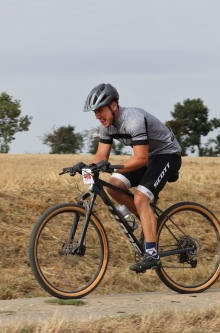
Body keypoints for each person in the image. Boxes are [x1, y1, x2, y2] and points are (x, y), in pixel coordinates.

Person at [74, 83, 182, 272]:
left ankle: (152, 254)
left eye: (100, 110)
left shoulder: (133, 120)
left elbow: (141, 158)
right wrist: (87, 169)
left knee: (141, 198)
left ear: (113, 105)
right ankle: (148, 222)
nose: (97, 116)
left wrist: (108, 166)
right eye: (94, 112)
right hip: (149, 158)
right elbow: (101, 157)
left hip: (167, 155)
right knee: (113, 184)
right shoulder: (106, 126)